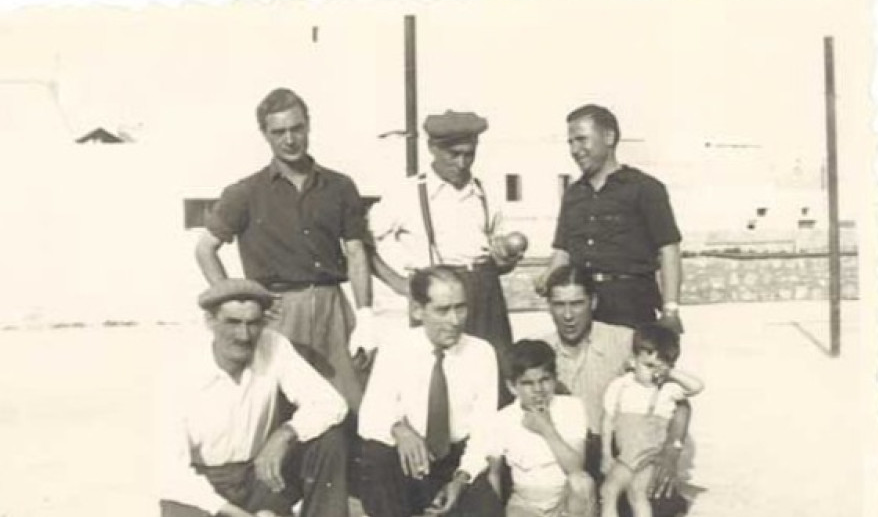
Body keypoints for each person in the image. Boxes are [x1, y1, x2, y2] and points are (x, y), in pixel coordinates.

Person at [155, 279, 358, 517]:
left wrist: (284, 434)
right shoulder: (181, 371)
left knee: (329, 439)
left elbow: (332, 403)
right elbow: (170, 471)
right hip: (205, 479)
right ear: (210, 321)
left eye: (253, 323)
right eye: (232, 323)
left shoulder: (273, 345)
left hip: (258, 473)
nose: (244, 335)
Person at [195, 88, 375, 410]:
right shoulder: (245, 192)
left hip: (334, 309)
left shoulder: (340, 186)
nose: (290, 140)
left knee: (353, 405)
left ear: (308, 126)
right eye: (279, 132)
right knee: (278, 406)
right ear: (265, 135)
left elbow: (356, 253)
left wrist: (365, 315)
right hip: (279, 312)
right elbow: (205, 249)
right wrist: (238, 300)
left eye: (297, 129)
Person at [354, 266, 505, 517]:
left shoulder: (481, 353)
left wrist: (462, 478)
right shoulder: (396, 348)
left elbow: (484, 429)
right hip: (413, 458)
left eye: (461, 308)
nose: (455, 320)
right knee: (376, 456)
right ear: (417, 310)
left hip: (455, 459)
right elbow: (370, 416)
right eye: (442, 310)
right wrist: (400, 429)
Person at [539, 264, 692, 517]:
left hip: (615, 450)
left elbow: (679, 402)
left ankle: (663, 512)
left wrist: (672, 449)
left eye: (577, 304)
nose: (569, 315)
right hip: (566, 454)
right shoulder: (539, 349)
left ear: (593, 302)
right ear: (548, 306)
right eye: (559, 305)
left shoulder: (624, 341)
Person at [368, 110, 521, 382]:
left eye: (469, 154)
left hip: (485, 292)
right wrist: (399, 283)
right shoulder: (407, 192)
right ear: (432, 148)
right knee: (438, 377)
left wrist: (506, 260)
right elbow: (362, 242)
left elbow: (501, 256)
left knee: (494, 374)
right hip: (436, 295)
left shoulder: (485, 192)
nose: (462, 163)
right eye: (454, 154)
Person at [461, 339, 597, 517]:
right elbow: (494, 473)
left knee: (582, 482)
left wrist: (547, 428)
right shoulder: (501, 419)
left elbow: (576, 466)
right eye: (527, 383)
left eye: (545, 380)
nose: (538, 390)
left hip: (566, 499)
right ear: (512, 387)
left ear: (555, 379)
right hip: (528, 504)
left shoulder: (571, 407)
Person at [546, 104, 684, 332]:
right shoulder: (573, 193)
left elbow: (669, 249)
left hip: (631, 305)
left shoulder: (645, 188)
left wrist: (670, 310)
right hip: (584, 307)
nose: (575, 149)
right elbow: (563, 251)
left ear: (609, 137)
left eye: (582, 139)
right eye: (570, 142)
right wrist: (549, 283)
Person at [597, 325, 704, 517]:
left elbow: (698, 386)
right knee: (608, 492)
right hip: (625, 456)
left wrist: (671, 373)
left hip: (649, 458)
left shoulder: (668, 389)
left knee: (637, 493)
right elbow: (607, 420)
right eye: (647, 365)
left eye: (659, 367)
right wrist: (605, 453)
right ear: (633, 360)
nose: (653, 373)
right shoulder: (620, 386)